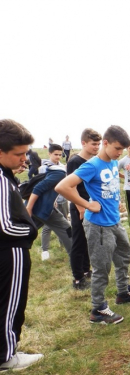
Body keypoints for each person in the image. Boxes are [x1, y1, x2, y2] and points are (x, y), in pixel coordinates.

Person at [56, 126, 130, 325]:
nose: (120, 153)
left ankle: (123, 293)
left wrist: (117, 201)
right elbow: (62, 186)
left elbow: (110, 187)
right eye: (117, 148)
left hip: (114, 220)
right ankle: (98, 309)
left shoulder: (113, 163)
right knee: (101, 267)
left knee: (124, 255)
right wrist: (87, 204)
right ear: (105, 143)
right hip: (98, 225)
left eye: (123, 149)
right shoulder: (92, 165)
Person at [0, 119, 43, 371]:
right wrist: (30, 232)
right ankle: (7, 356)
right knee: (10, 303)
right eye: (18, 154)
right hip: (10, 251)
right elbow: (6, 226)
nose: (24, 158)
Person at [66, 128, 101, 290]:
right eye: (94, 144)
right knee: (78, 242)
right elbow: (71, 187)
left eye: (99, 144)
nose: (97, 147)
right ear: (83, 143)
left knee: (88, 240)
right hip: (79, 207)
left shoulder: (94, 161)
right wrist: (81, 208)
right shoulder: (75, 161)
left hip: (91, 206)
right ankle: (78, 278)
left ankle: (86, 270)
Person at [25, 144, 72, 261]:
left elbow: (52, 189)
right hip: (41, 207)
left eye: (60, 155)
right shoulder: (53, 170)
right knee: (64, 228)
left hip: (48, 205)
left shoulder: (60, 168)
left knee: (28, 230)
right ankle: (74, 256)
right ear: (49, 154)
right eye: (55, 154)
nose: (58, 157)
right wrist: (29, 208)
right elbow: (39, 188)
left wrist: (53, 200)